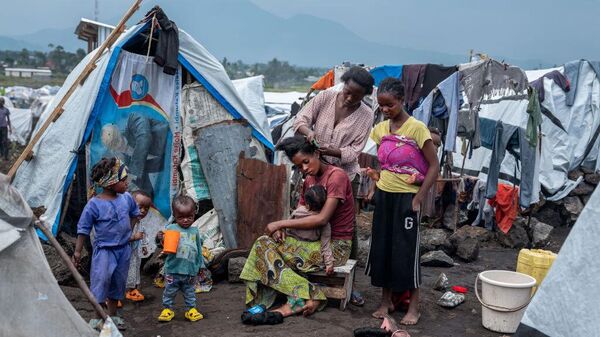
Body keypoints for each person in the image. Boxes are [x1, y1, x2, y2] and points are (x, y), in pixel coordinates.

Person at [240, 136, 355, 317]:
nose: (305, 169)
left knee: (265, 247)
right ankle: (305, 294)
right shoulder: (309, 180)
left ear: (316, 153)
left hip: (334, 247)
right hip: (310, 241)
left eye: (306, 162)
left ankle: (309, 295)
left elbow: (322, 219)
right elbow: (300, 212)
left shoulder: (336, 177)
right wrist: (282, 230)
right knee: (264, 243)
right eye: (299, 166)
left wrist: (279, 223)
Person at [365, 77, 440, 325]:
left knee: (406, 251)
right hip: (384, 196)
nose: (385, 110)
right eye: (381, 106)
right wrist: (374, 183)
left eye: (390, 105)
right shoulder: (380, 130)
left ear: (401, 100)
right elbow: (384, 163)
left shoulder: (417, 128)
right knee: (383, 249)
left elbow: (434, 166)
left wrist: (419, 198)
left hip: (408, 198)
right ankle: (386, 302)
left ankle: (413, 308)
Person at [72, 157, 141, 330]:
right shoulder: (94, 205)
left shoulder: (126, 198)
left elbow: (135, 213)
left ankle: (113, 316)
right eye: (123, 180)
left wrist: (128, 231)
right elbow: (83, 229)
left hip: (123, 250)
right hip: (104, 250)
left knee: (118, 282)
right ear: (110, 183)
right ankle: (98, 317)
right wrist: (78, 252)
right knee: (101, 281)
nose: (127, 183)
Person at [293, 66, 375, 189]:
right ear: (344, 85)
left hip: (346, 176)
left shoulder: (367, 115)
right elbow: (300, 119)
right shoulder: (325, 96)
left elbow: (355, 150)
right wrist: (309, 132)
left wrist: (333, 152)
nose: (349, 98)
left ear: (364, 95)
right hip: (316, 171)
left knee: (341, 208)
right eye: (347, 92)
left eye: (356, 96)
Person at [157, 195, 204, 323]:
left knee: (190, 292)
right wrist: (160, 238)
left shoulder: (195, 231)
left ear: (194, 214)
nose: (185, 220)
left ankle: (191, 310)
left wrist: (201, 266)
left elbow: (198, 249)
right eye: (181, 217)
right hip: (173, 269)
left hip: (190, 271)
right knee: (169, 291)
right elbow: (162, 245)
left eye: (189, 217)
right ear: (175, 215)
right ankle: (167, 309)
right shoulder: (171, 229)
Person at [101, 113, 169, 198]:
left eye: (116, 139)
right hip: (170, 164)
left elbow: (144, 137)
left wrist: (131, 174)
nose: (118, 144)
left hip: (172, 141)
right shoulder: (127, 162)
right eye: (113, 144)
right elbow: (143, 185)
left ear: (119, 132)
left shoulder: (133, 119)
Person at [286, 185, 334, 274]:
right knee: (321, 246)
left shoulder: (298, 212)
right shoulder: (324, 223)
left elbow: (288, 229)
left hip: (291, 249)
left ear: (307, 204)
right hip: (307, 252)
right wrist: (329, 263)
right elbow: (325, 245)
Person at [125, 191, 153, 302]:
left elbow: (142, 234)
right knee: (124, 271)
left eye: (146, 209)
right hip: (125, 252)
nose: (143, 211)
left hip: (135, 252)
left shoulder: (139, 221)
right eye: (140, 207)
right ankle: (115, 294)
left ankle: (132, 290)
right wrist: (133, 237)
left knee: (135, 269)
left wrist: (145, 245)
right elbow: (120, 237)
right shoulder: (126, 220)